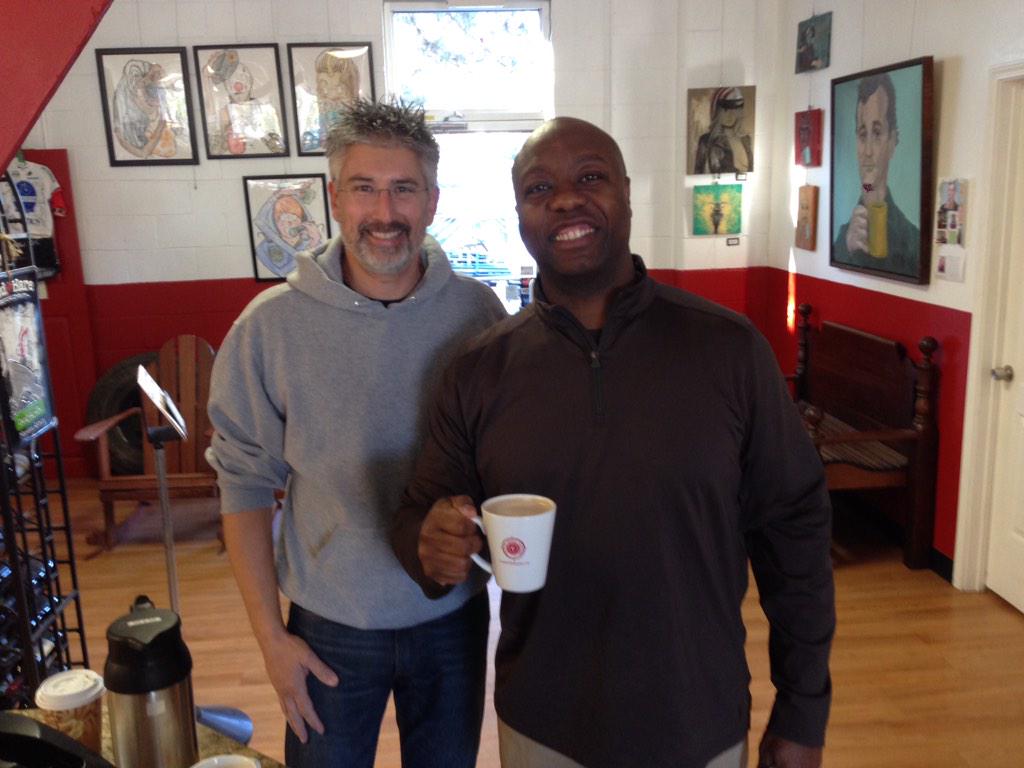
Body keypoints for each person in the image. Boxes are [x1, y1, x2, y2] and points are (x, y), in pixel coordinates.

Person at [392, 117, 835, 768]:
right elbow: (419, 516)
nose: (566, 200)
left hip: (698, 720)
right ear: (520, 216)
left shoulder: (729, 350)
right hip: (543, 726)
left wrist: (803, 710)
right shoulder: (478, 371)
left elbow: (794, 531)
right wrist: (429, 544)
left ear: (627, 193)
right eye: (540, 188)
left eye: (591, 177)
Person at [206, 98, 507, 768]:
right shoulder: (270, 327)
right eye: (365, 188)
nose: (385, 212)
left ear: (432, 201)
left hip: (452, 619)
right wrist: (270, 640)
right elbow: (243, 487)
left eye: (404, 189)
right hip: (329, 627)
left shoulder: (478, 314)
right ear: (335, 198)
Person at [832, 73, 919, 277]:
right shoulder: (844, 238)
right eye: (863, 135)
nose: (868, 151)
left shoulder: (911, 240)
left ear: (892, 141)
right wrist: (846, 247)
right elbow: (868, 189)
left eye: (877, 133)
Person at [693, 86, 753, 174]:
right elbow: (698, 173)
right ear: (717, 111)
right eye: (725, 110)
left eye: (735, 110)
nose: (730, 114)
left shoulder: (746, 140)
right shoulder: (706, 141)